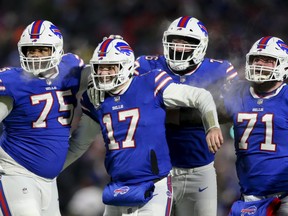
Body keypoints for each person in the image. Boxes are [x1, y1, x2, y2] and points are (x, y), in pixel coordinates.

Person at [64, 36, 223, 216]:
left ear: (126, 66)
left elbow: (200, 96)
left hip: (153, 184)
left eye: (110, 67)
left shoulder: (151, 83)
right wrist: (50, 170)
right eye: (100, 68)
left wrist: (212, 126)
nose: (104, 73)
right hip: (118, 186)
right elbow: (78, 144)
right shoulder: (94, 100)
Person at [132, 16, 238, 216]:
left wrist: (173, 115)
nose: (178, 47)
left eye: (186, 42)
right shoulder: (147, 65)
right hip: (154, 171)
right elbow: (136, 106)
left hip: (198, 168)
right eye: (175, 40)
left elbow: (233, 110)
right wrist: (199, 113)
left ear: (201, 46)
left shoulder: (219, 69)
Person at [0, 20, 89, 215]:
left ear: (57, 49)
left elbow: (98, 77)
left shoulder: (70, 69)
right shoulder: (12, 81)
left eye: (42, 50)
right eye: (30, 50)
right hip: (17, 173)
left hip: (49, 181)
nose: (36, 55)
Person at [219, 36, 288, 215]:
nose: (260, 64)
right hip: (249, 197)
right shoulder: (238, 92)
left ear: (283, 65)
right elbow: (203, 112)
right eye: (257, 59)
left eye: (267, 61)